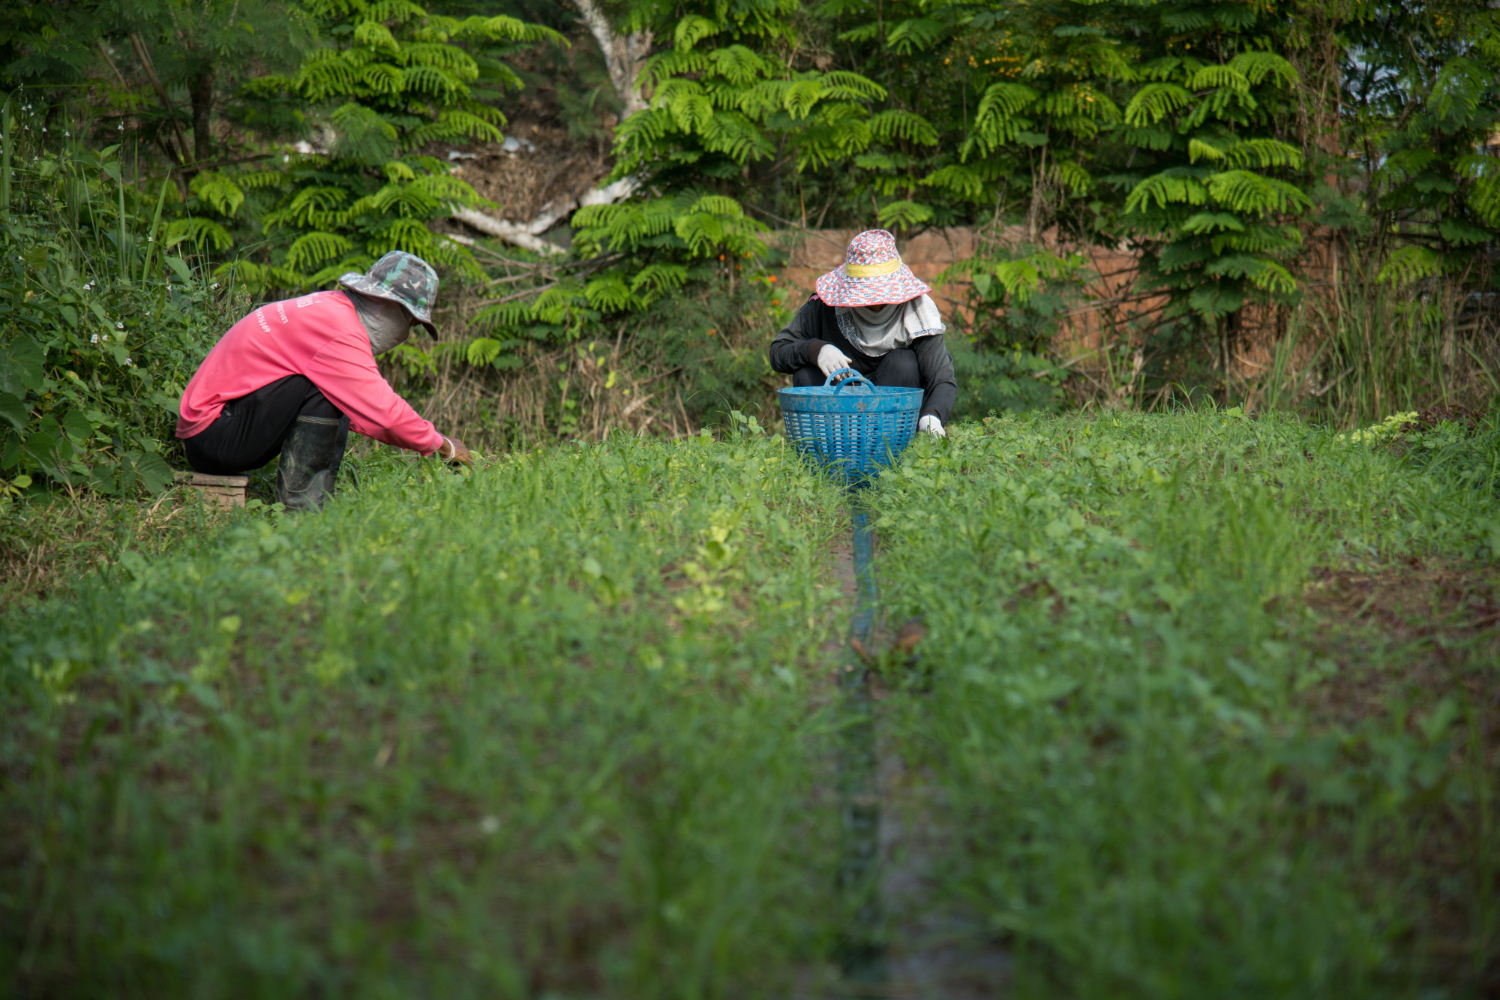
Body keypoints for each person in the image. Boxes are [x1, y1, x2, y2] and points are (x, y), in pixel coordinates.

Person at [176, 250, 472, 511]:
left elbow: (368, 412)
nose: (407, 331)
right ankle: (302, 510)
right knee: (325, 390)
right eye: (411, 322)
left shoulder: (330, 309)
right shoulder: (338, 329)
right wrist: (442, 446)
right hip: (213, 437)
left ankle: (314, 503)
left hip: (219, 428)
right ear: (392, 307)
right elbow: (385, 414)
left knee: (337, 391)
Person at [769, 229, 956, 437]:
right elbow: (779, 351)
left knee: (904, 363)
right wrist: (817, 350)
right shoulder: (825, 306)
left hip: (890, 422)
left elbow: (942, 378)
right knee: (805, 373)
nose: (873, 305)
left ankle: (892, 452)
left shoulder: (917, 313)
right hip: (836, 422)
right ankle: (824, 457)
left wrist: (931, 417)